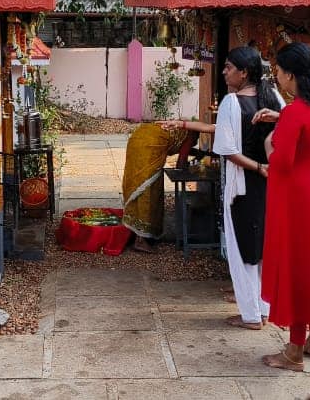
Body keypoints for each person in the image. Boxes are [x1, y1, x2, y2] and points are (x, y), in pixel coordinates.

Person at [162, 46, 283, 329]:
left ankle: (251, 315)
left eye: (229, 67)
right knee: (264, 245)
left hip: (244, 182)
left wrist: (257, 167)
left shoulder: (232, 102)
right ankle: (265, 308)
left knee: (243, 249)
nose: (225, 72)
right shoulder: (274, 98)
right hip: (273, 181)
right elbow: (287, 125)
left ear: (245, 73)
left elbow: (227, 150)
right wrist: (269, 165)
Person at [254, 43, 310, 371]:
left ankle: (294, 351)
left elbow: (282, 161)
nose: (275, 75)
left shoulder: (295, 112)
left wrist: (268, 141)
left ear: (289, 75)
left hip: (294, 201)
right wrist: (283, 118)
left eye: (277, 70)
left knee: (295, 270)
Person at [121, 123, 193, 252]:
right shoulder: (192, 134)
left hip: (136, 140)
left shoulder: (177, 128)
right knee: (148, 192)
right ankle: (141, 240)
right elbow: (181, 162)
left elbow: (179, 147)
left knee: (136, 185)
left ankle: (132, 231)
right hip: (149, 150)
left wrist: (196, 153)